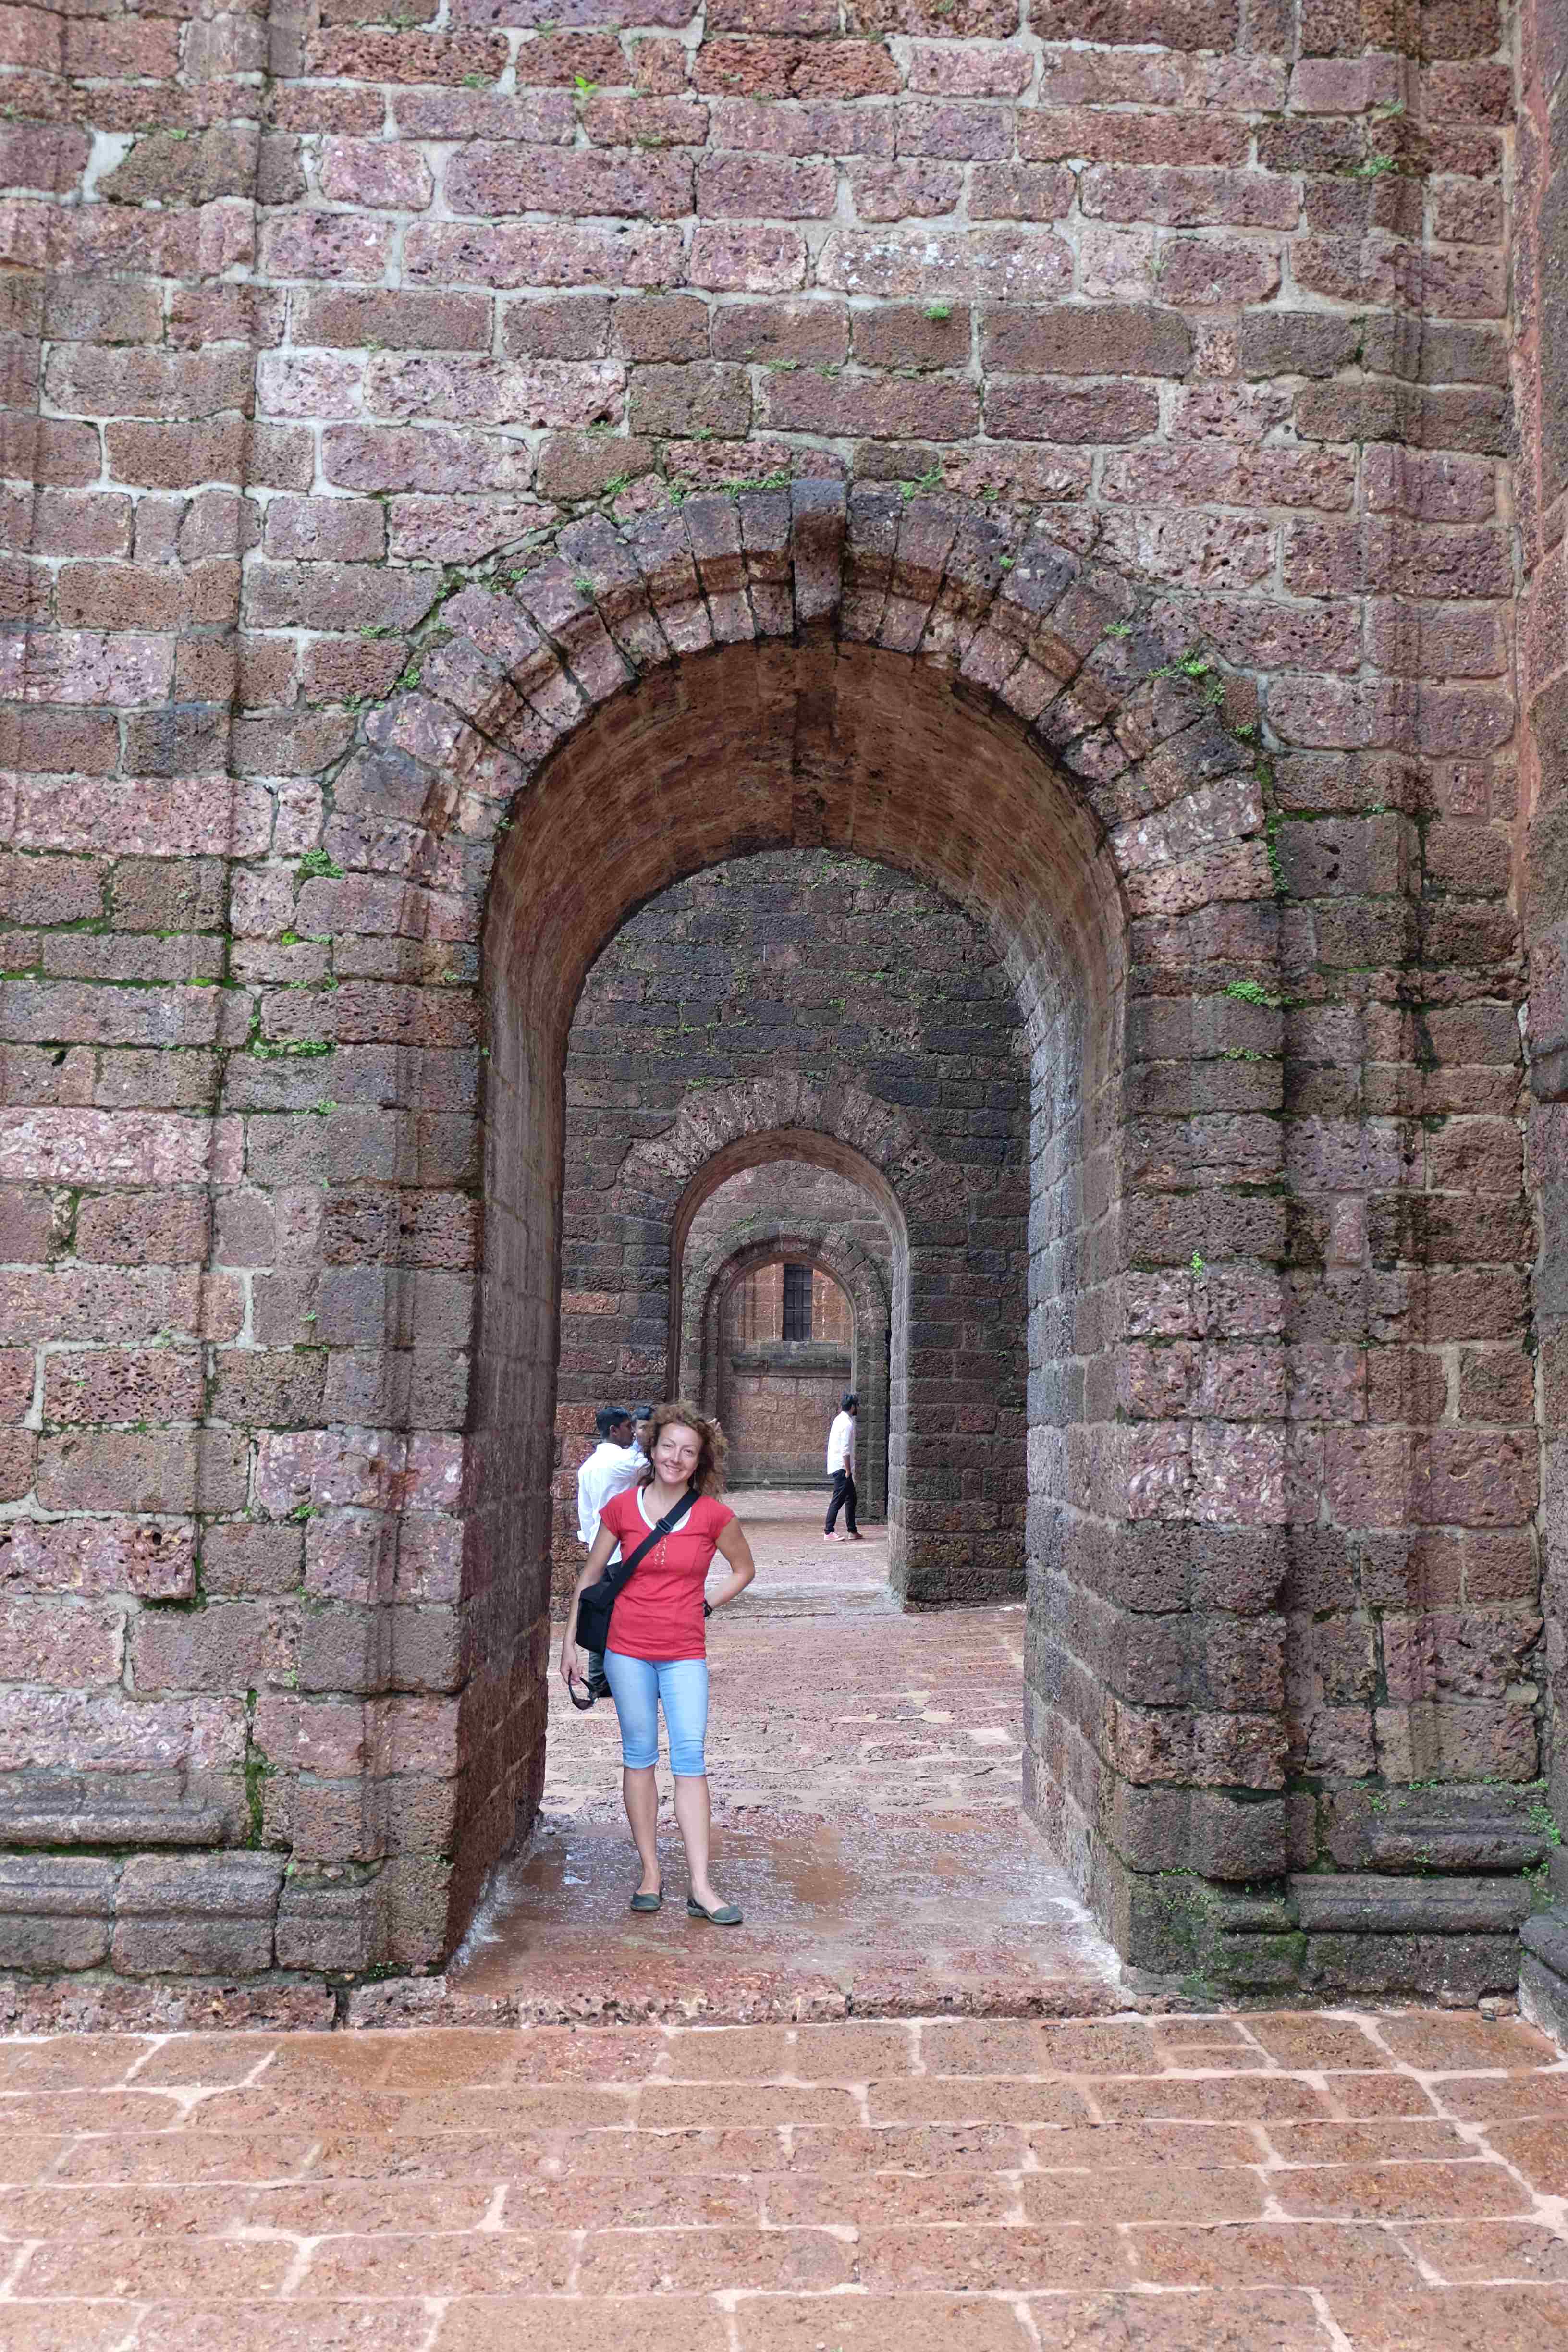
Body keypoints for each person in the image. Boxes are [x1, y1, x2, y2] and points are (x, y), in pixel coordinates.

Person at [561, 1399, 756, 1925]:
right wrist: (570, 1643)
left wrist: (707, 1604)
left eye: (688, 1451)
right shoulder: (623, 1508)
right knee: (639, 1755)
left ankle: (701, 1885)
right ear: (652, 1449)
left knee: (690, 1758)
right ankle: (650, 1872)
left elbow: (744, 1569)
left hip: (684, 1652)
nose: (676, 1458)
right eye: (668, 1446)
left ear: (700, 1461)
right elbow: (591, 1575)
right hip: (626, 1649)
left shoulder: (714, 1517)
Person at [576, 1405, 641, 1562]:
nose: (633, 1432)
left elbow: (586, 1516)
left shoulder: (587, 1467)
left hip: (599, 1553)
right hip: (622, 1551)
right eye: (628, 1426)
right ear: (614, 1431)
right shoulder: (627, 1461)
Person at [824, 1389, 860, 1541]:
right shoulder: (847, 1424)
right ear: (852, 1407)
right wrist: (848, 1470)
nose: (858, 1408)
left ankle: (852, 1531)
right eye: (857, 1405)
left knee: (851, 1498)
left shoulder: (840, 1419)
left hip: (838, 1465)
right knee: (838, 1499)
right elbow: (845, 1449)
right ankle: (828, 1531)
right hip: (842, 1467)